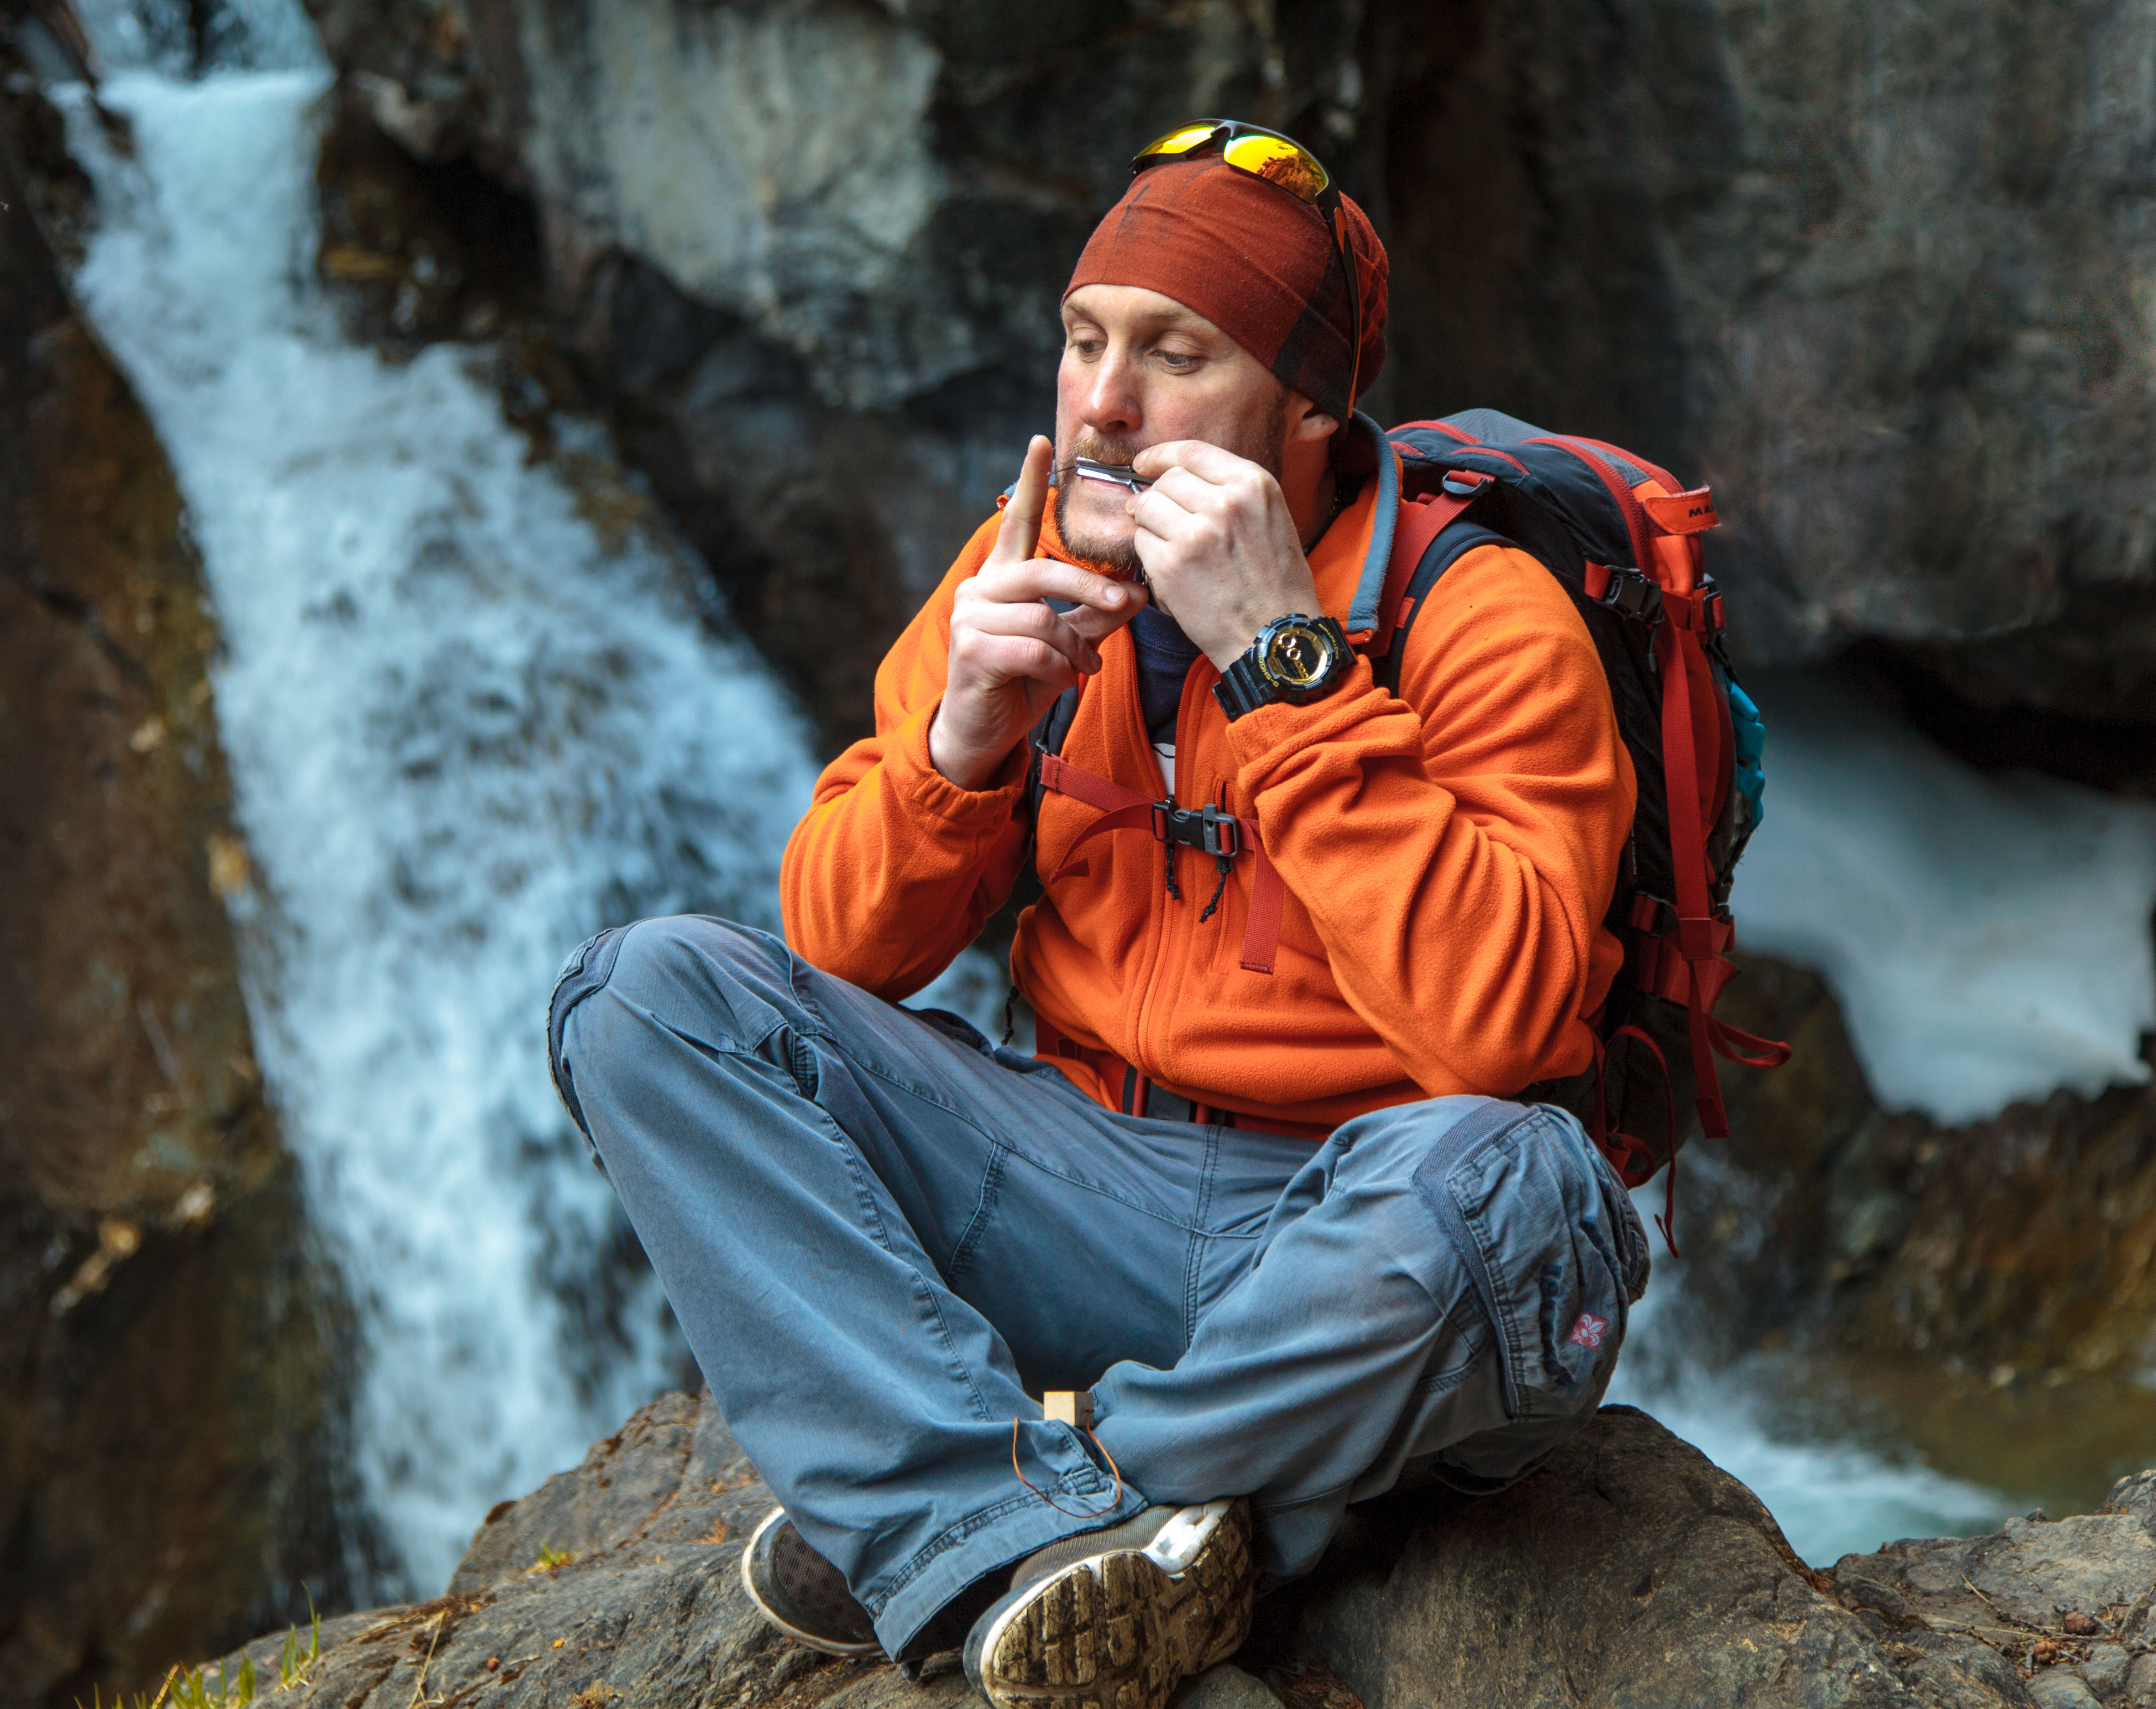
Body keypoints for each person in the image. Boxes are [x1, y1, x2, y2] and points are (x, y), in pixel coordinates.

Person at [547, 120, 1649, 1709]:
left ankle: (987, 1513)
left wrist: (1287, 664)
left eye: (1175, 353)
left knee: (1524, 1181)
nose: (1105, 404)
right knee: (644, 995)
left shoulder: (1479, 613)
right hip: (1075, 1192)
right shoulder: (1026, 570)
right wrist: (964, 744)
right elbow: (834, 957)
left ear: (1315, 401)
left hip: (1362, 1238)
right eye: (1082, 342)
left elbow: (1500, 1030)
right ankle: (1140, 1517)